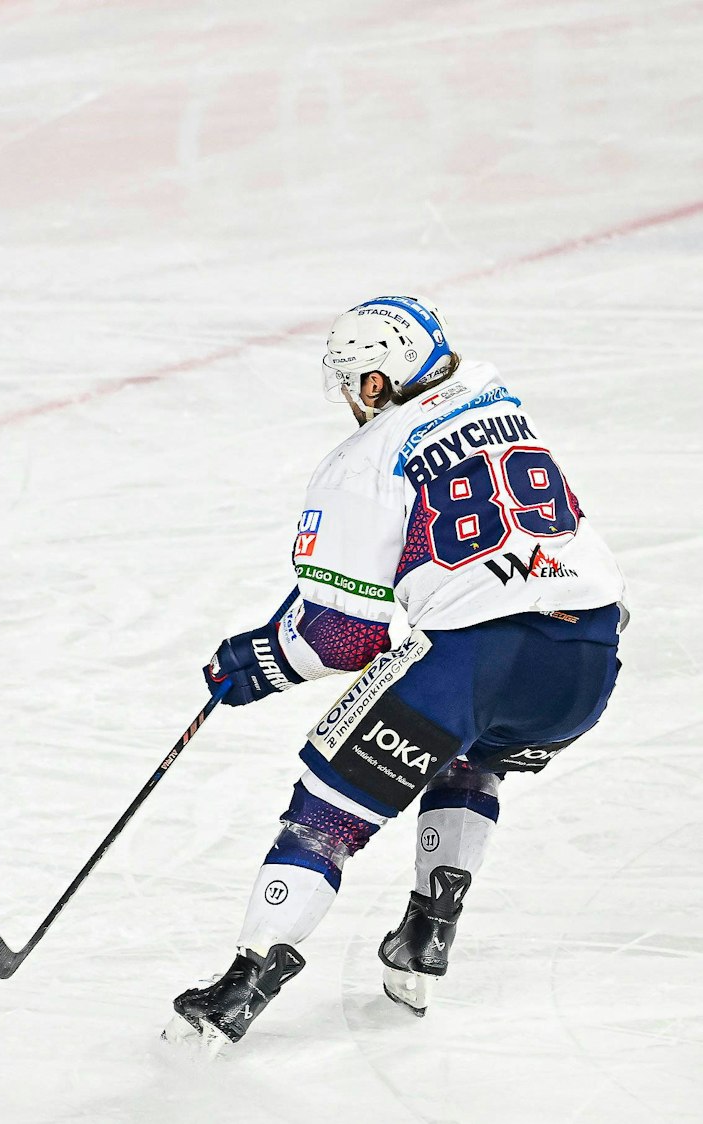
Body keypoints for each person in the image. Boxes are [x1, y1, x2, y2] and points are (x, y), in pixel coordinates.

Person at [166, 296, 625, 1054]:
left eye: (353, 383)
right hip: (587, 659)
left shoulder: (363, 459)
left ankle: (241, 989)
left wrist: (254, 663)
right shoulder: (493, 394)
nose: (349, 399)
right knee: (470, 753)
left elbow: (342, 637)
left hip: (478, 658)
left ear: (376, 384)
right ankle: (425, 934)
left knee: (325, 814)